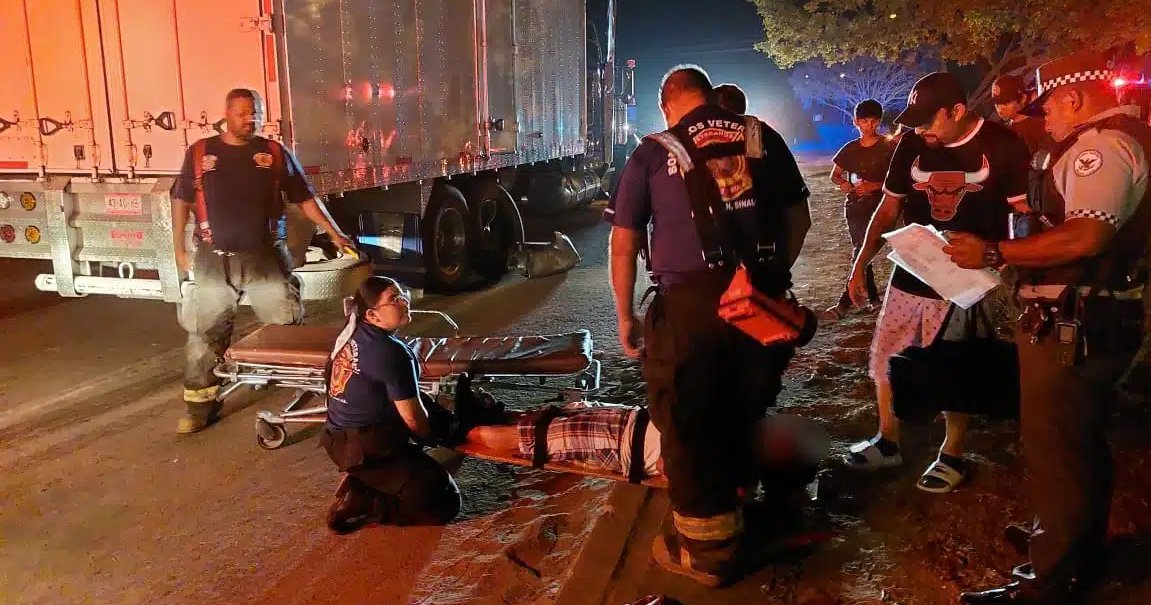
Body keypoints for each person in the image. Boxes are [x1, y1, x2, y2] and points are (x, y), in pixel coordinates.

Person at [945, 52, 1151, 605]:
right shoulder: (1121, 137)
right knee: (1075, 443)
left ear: (1075, 98)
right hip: (1084, 317)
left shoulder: (1100, 146)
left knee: (1057, 448)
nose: (1046, 121)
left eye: (1049, 108)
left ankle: (1051, 581)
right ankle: (1070, 539)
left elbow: (1087, 236)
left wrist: (995, 252)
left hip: (1077, 324)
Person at [606, 64, 812, 586]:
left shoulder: (655, 151)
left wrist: (626, 314)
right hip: (759, 300)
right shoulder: (760, 136)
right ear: (708, 97)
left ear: (667, 103)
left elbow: (625, 241)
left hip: (690, 309)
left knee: (689, 417)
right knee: (747, 400)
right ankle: (746, 499)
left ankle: (707, 552)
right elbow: (800, 218)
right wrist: (768, 278)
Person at [843, 72, 1031, 492]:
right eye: (916, 120)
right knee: (887, 353)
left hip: (967, 278)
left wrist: (1000, 254)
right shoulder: (910, 145)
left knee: (954, 364)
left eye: (930, 120)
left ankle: (952, 453)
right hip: (911, 269)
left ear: (958, 111)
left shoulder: (1002, 147)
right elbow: (889, 209)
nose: (921, 129)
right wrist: (861, 262)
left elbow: (1023, 216)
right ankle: (887, 439)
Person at [171, 88, 353, 434]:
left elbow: (305, 198)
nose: (249, 118)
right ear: (226, 113)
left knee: (286, 331)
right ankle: (200, 407)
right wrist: (178, 247)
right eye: (242, 112)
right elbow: (181, 200)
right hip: (214, 261)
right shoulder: (200, 153)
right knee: (204, 335)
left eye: (255, 112)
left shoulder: (273, 153)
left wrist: (334, 233)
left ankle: (311, 399)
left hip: (266, 259)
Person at [322, 276, 463, 533]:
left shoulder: (351, 331)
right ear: (373, 316)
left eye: (402, 294)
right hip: (367, 450)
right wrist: (431, 438)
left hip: (336, 439)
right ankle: (367, 501)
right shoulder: (390, 352)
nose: (404, 301)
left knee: (432, 414)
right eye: (394, 299)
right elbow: (413, 419)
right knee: (445, 501)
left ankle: (366, 479)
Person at [466, 406, 829, 489]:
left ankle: (463, 433)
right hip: (626, 424)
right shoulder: (744, 432)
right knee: (541, 429)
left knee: (532, 440)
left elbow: (675, 472)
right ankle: (469, 425)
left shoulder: (733, 461)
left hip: (618, 442)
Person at [823, 99, 895, 320]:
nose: (869, 125)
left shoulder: (889, 147)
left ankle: (848, 302)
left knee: (867, 248)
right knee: (861, 248)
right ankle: (867, 300)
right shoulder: (850, 149)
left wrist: (874, 186)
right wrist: (845, 185)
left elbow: (900, 179)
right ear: (856, 122)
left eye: (874, 121)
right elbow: (835, 175)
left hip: (881, 205)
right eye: (864, 121)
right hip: (856, 207)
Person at [992, 72, 1051, 157]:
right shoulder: (1008, 134)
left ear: (1023, 98)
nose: (1000, 108)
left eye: (1006, 102)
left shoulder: (1045, 117)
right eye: (997, 103)